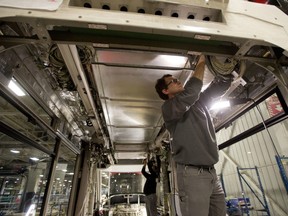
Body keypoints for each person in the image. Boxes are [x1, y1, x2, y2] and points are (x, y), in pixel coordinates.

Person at [155, 55, 230, 216]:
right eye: (172, 81)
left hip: (211, 173)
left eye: (176, 79)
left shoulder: (198, 101)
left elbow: (216, 89)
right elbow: (192, 90)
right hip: (192, 174)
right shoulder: (169, 108)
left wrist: (227, 70)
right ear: (165, 91)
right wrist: (201, 60)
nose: (177, 81)